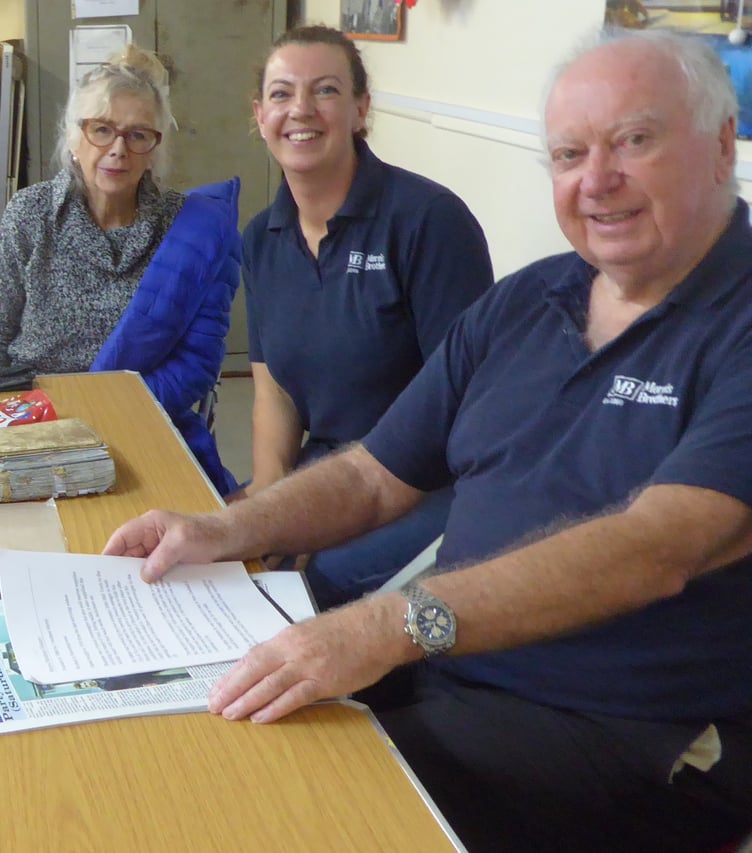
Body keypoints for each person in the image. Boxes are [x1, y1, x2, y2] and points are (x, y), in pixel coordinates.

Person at [104, 28, 752, 853]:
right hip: (452, 674)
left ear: (722, 141)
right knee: (188, 734)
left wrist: (390, 625)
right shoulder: (527, 302)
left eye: (635, 140)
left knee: (270, 808)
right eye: (568, 153)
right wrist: (226, 527)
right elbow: (377, 475)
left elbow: (659, 545)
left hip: (634, 732)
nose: (598, 180)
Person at [237, 25, 494, 606]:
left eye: (324, 91)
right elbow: (273, 392)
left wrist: (316, 515)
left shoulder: (429, 221)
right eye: (281, 94)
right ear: (260, 115)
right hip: (325, 468)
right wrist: (271, 498)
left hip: (431, 483)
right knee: (218, 557)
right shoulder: (261, 238)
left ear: (360, 109)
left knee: (301, 589)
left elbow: (461, 411)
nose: (299, 109)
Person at [0, 44, 241, 495]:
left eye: (137, 135)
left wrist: (105, 412)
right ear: (74, 139)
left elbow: (197, 364)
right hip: (34, 422)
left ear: (154, 148)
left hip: (143, 421)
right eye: (101, 130)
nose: (118, 149)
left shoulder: (190, 229)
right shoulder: (29, 216)